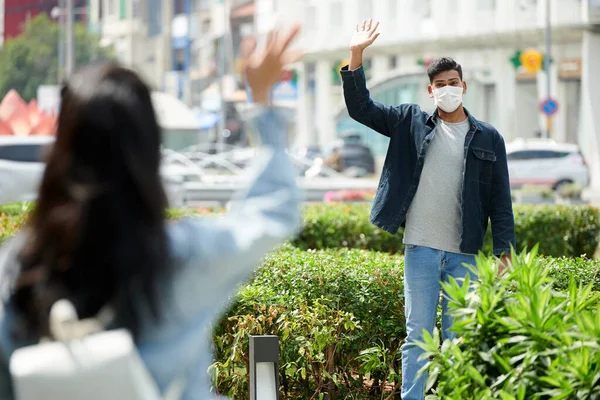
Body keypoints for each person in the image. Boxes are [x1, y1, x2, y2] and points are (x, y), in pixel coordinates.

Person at [0, 24, 303, 400]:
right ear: (148, 150)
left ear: (61, 152)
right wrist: (261, 100)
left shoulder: (18, 266)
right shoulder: (181, 256)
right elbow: (273, 211)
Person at [340, 20, 515, 400]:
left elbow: (501, 199)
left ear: (463, 86)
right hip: (420, 248)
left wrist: (504, 250)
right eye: (441, 84)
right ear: (431, 90)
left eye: (454, 82)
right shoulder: (410, 122)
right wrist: (356, 55)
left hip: (464, 252)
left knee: (456, 339)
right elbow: (361, 109)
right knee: (418, 337)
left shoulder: (488, 137)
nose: (448, 89)